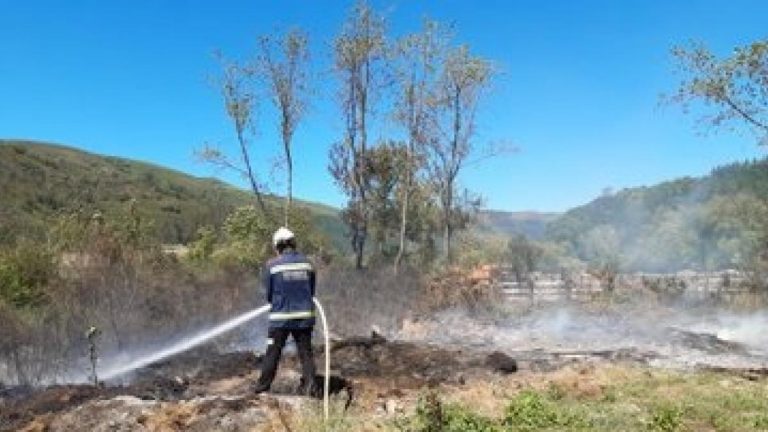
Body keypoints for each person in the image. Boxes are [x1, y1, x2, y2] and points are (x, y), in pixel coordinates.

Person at [253, 227, 318, 396]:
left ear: (277, 246)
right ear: (293, 243)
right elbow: (311, 290)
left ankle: (262, 389)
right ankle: (311, 387)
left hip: (280, 318)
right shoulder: (307, 263)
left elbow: (268, 294)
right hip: (304, 317)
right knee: (306, 354)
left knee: (272, 353)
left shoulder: (272, 265)